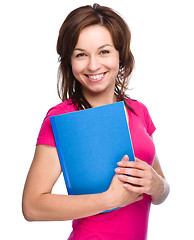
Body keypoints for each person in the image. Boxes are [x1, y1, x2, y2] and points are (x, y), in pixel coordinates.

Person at [22, 4, 170, 240]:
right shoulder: (61, 118)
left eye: (103, 52)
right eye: (81, 54)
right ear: (69, 61)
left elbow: (159, 190)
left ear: (120, 55)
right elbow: (32, 206)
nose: (93, 65)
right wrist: (109, 200)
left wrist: (159, 186)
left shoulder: (139, 111)